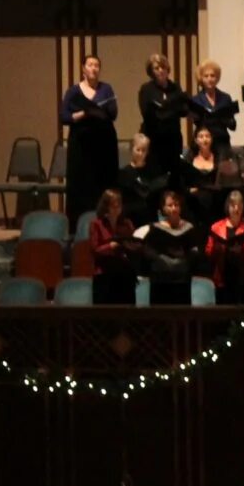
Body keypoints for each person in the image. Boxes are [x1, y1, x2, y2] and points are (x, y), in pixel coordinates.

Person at [60, 53, 119, 226]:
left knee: (102, 185)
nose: (94, 68)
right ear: (83, 68)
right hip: (81, 144)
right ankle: (78, 226)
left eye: (97, 66)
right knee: (81, 185)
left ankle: (105, 223)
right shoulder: (73, 91)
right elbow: (64, 116)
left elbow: (113, 113)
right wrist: (83, 113)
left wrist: (97, 111)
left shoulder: (106, 89)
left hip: (103, 144)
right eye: (90, 65)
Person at [140, 190, 203, 304]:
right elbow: (148, 251)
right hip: (161, 280)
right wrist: (164, 260)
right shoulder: (155, 229)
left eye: (176, 205)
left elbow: (194, 251)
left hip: (182, 280)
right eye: (170, 205)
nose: (174, 208)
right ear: (163, 208)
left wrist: (182, 261)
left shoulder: (188, 228)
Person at [208, 188, 244, 303]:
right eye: (233, 205)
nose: (236, 209)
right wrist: (221, 249)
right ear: (227, 207)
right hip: (223, 278)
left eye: (239, 205)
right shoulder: (216, 227)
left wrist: (241, 251)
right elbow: (208, 252)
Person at [88, 188, 140, 304]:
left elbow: (134, 243)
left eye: (119, 204)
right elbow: (94, 249)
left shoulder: (127, 223)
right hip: (105, 275)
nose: (117, 207)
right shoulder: (96, 224)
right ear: (106, 206)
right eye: (113, 205)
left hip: (124, 273)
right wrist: (110, 246)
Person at [116, 134, 174, 226]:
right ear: (131, 150)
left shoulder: (153, 170)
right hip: (132, 219)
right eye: (138, 150)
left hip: (152, 216)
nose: (140, 153)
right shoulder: (124, 173)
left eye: (144, 150)